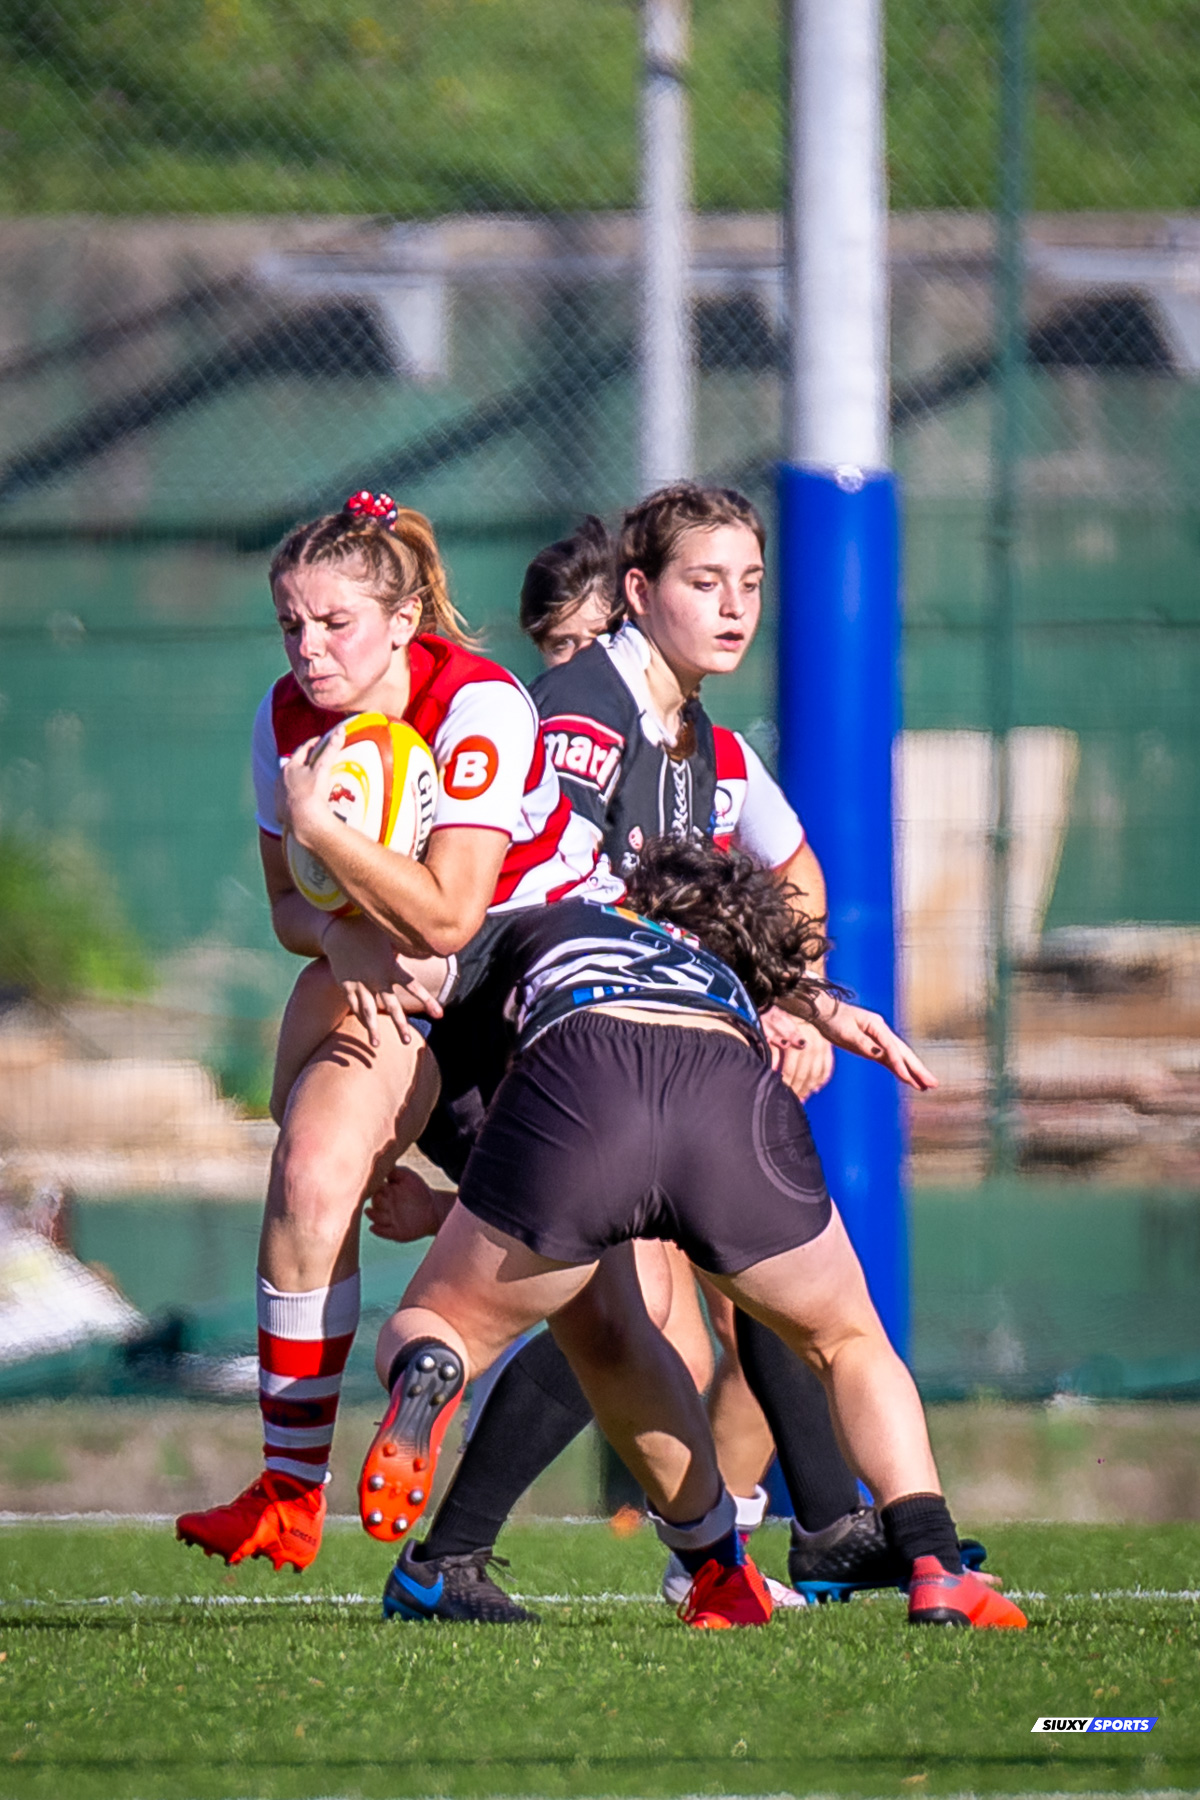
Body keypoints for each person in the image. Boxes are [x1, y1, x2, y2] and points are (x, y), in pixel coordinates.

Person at [401, 487, 958, 1617]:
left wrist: (796, 998)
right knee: (637, 1311)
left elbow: (790, 874)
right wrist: (769, 998)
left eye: (750, 584)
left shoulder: (701, 740)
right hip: (527, 1043)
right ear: (639, 599)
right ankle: (711, 1547)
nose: (736, 606)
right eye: (708, 584)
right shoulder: (578, 720)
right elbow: (554, 902)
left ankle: (791, 1533)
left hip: (603, 1049)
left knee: (702, 1289)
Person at [360, 840, 1026, 1633]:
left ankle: (431, 1364)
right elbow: (796, 991)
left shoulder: (555, 919)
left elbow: (413, 972)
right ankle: (930, 1566)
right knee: (845, 1341)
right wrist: (830, 1008)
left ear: (638, 899)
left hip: (584, 1075)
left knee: (445, 1324)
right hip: (726, 1088)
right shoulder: (726, 976)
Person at [176, 490, 601, 1577]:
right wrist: (337, 935)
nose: (309, 650)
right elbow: (288, 907)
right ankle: (289, 1493)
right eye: (291, 625)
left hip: (542, 989)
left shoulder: (479, 703)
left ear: (404, 621)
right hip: (409, 988)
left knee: (640, 1315)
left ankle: (724, 1552)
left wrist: (321, 831)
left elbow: (454, 915)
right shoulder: (284, 717)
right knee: (313, 1168)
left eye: (336, 623)